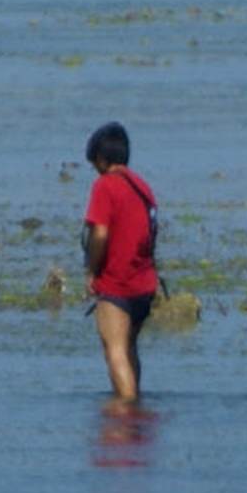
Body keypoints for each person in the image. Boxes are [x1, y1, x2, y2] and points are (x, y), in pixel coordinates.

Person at [81, 122, 159, 402]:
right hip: (144, 283)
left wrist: (92, 270)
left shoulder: (105, 186)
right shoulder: (142, 186)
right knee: (128, 349)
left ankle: (126, 410)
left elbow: (100, 233)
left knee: (114, 350)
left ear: (101, 159)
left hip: (118, 283)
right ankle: (135, 405)